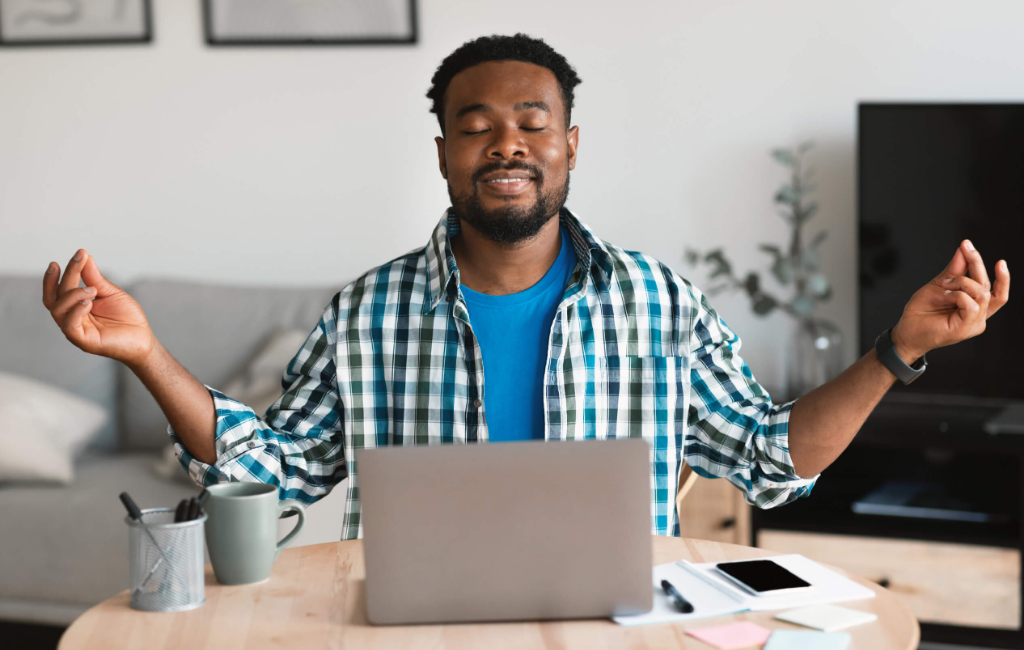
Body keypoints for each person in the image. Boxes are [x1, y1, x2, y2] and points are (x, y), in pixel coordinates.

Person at [42, 34, 1010, 540]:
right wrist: (144, 352)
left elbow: (768, 457)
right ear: (442, 154)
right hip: (418, 630)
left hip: (613, 628)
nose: (506, 140)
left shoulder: (656, 303)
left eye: (532, 120)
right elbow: (275, 469)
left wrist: (898, 349)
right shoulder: (368, 310)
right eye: (476, 123)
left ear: (569, 145)